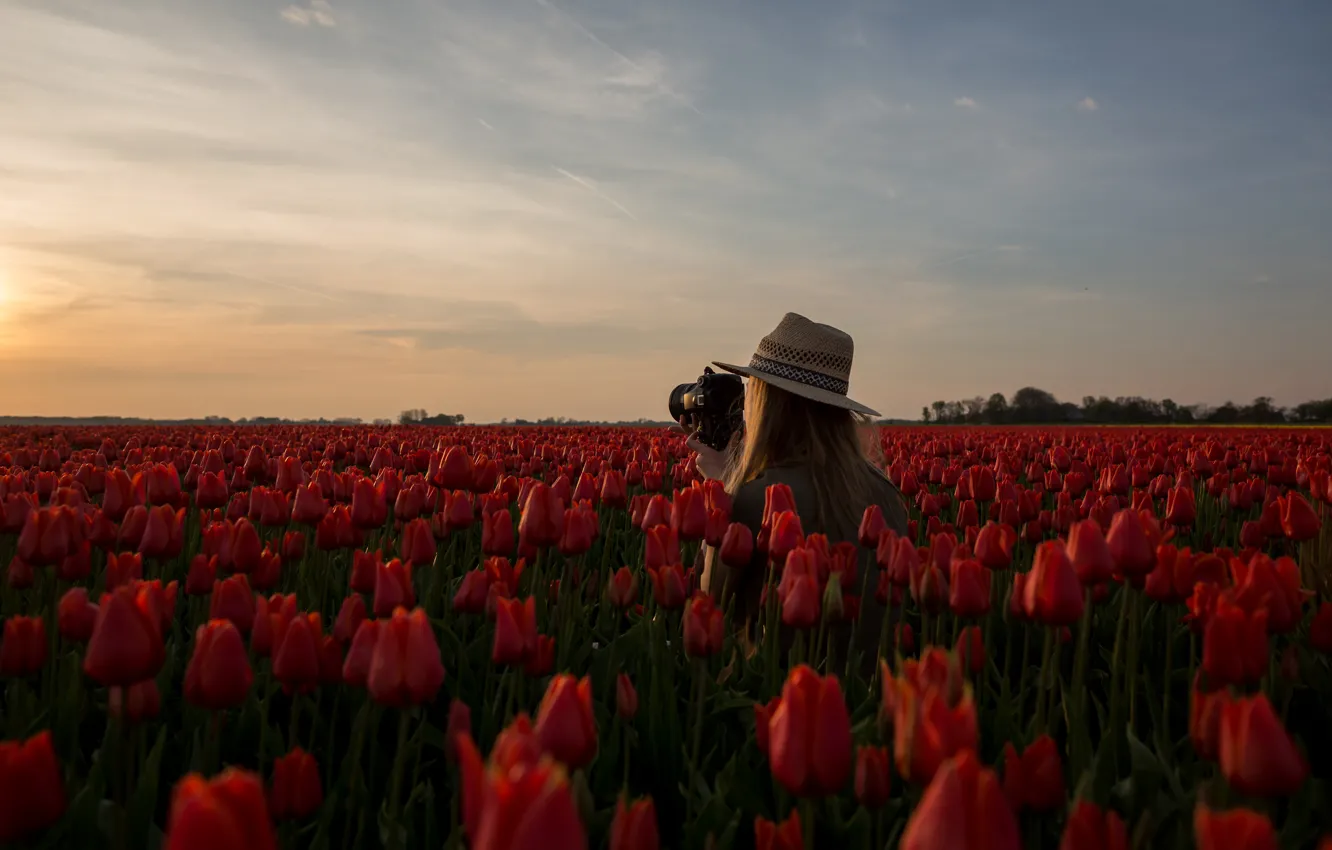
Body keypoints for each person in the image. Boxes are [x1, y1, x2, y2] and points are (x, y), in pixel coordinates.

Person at [678, 312, 909, 671]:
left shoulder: (757, 498)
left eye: (751, 389)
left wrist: (721, 490)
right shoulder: (887, 495)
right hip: (868, 701)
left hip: (779, 701)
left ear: (768, 402)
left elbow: (708, 605)